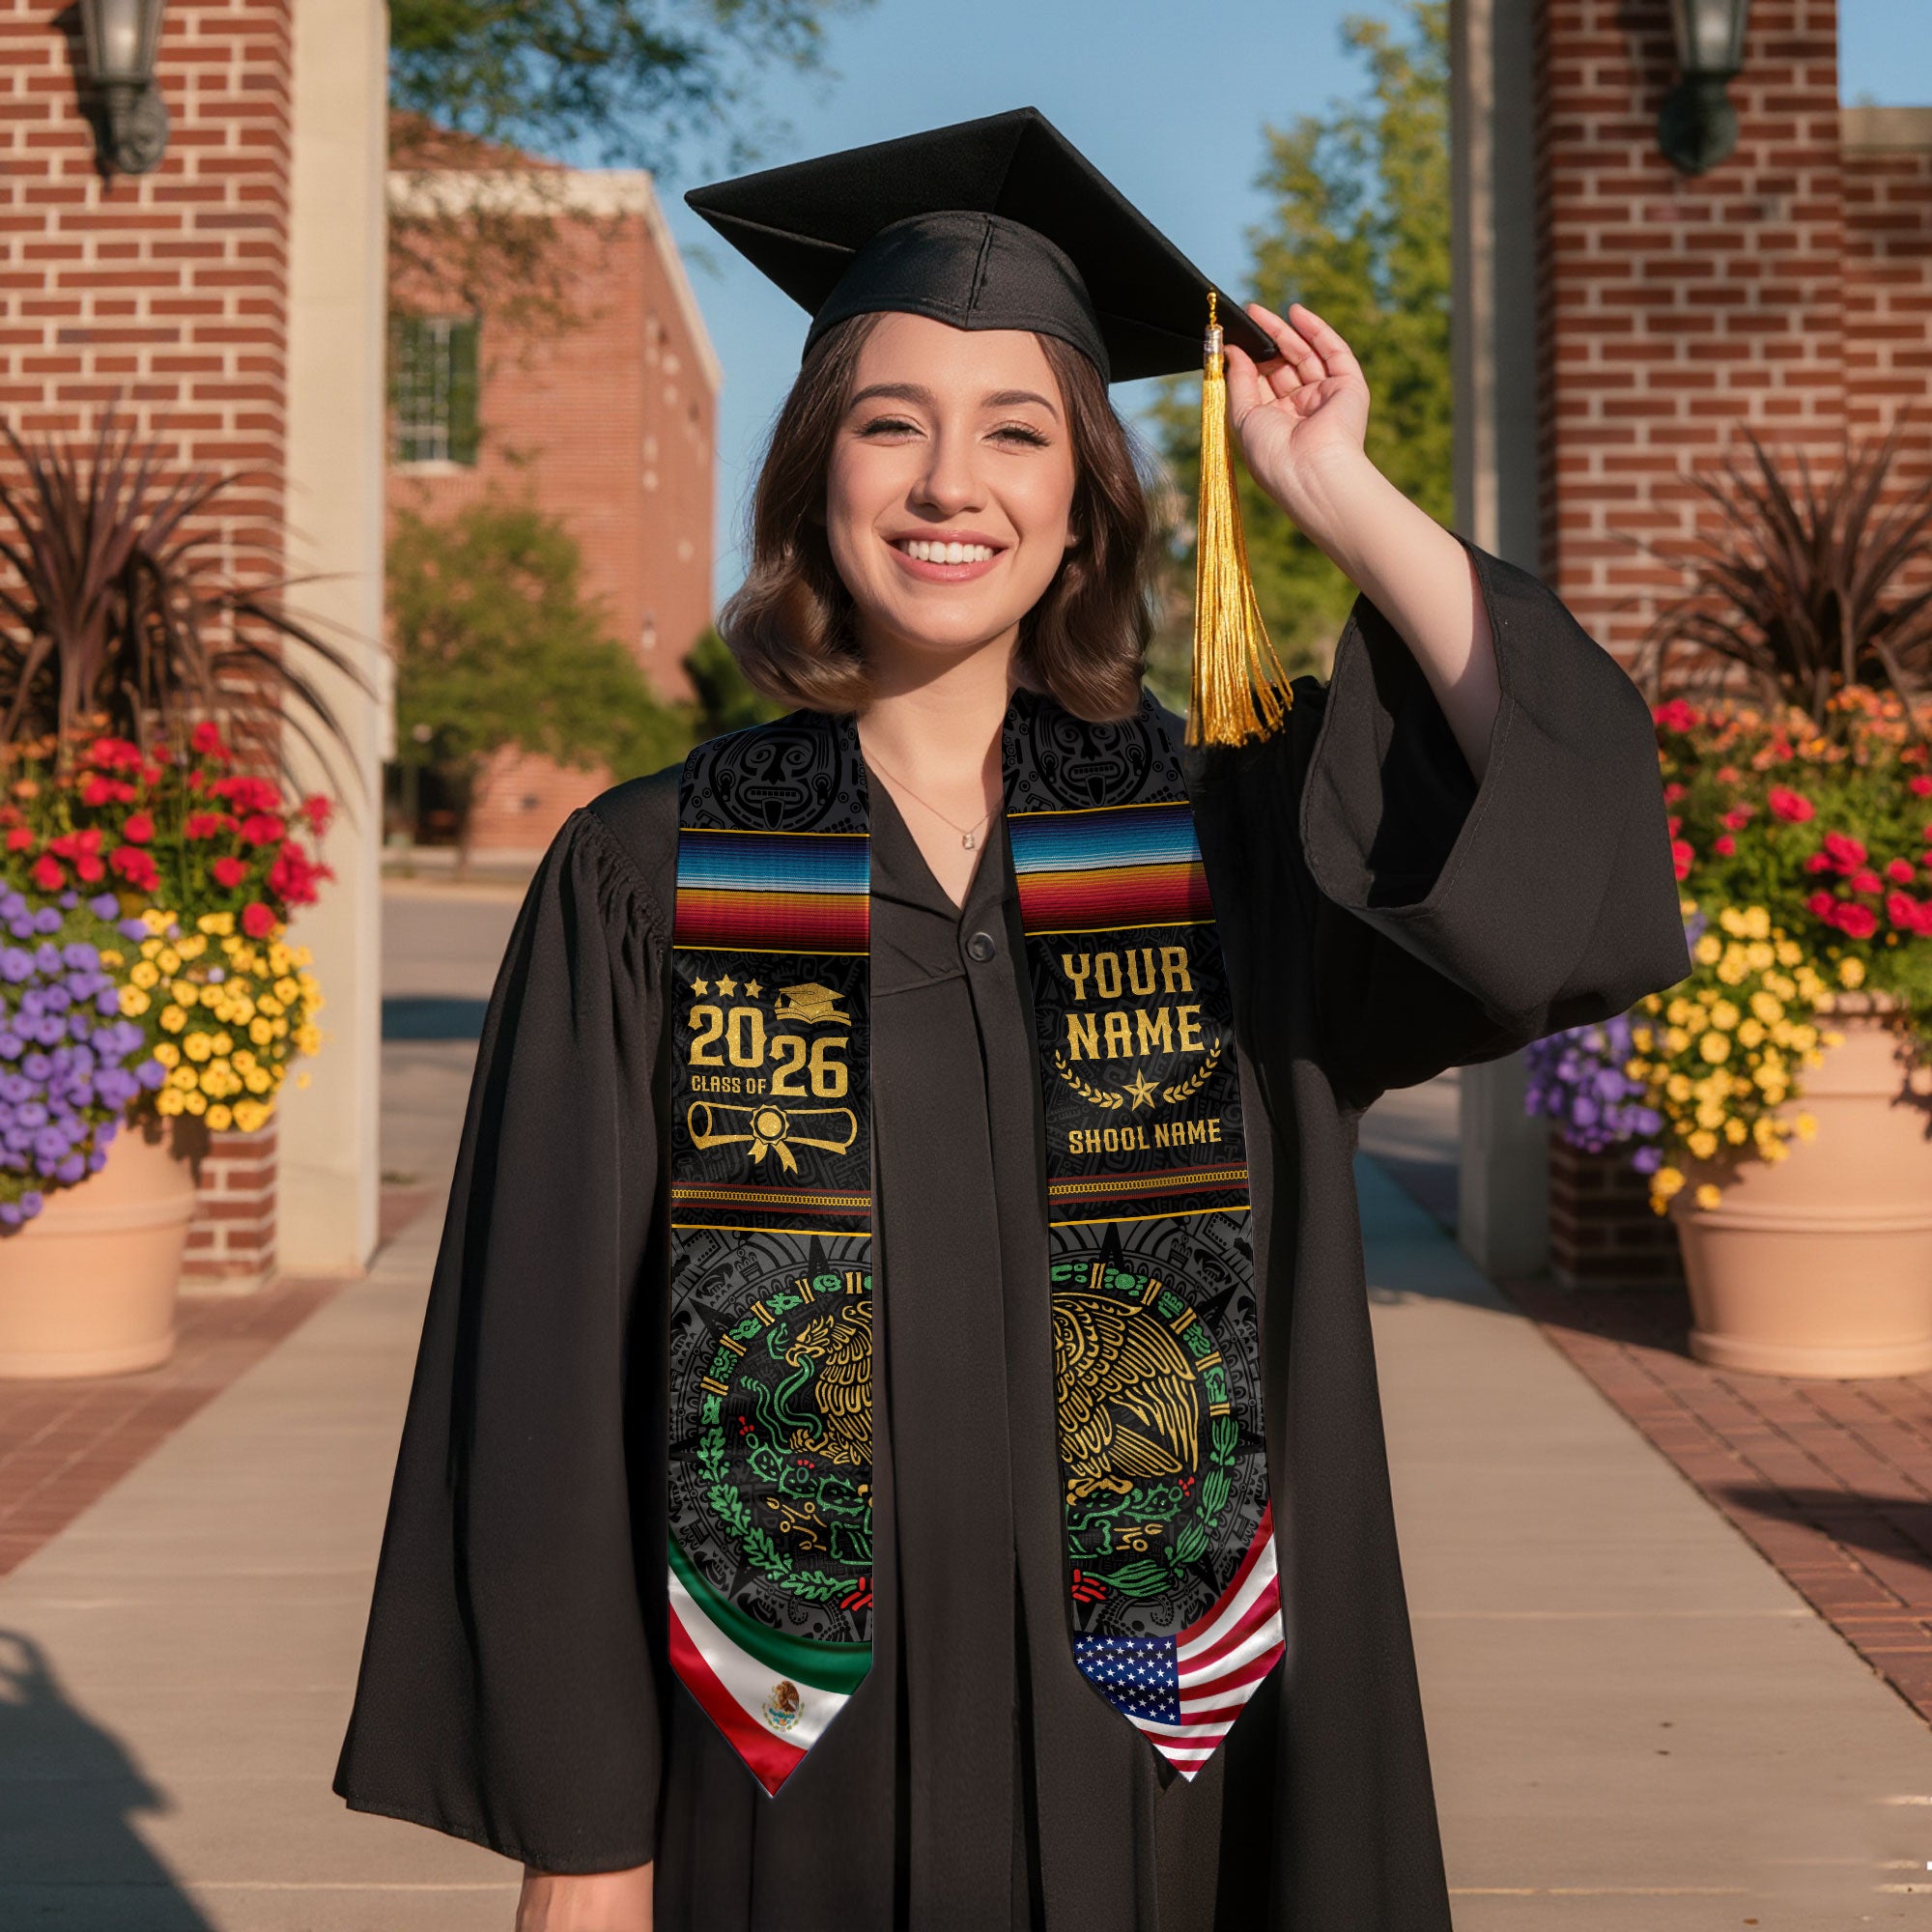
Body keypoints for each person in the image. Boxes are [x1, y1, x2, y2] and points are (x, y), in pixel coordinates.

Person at [334, 109, 1690, 1932]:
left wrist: (1337, 491)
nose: (947, 483)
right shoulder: (648, 878)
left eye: (1016, 432)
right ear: (818, 472)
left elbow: (1560, 841)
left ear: (1082, 504)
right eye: (892, 424)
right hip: (780, 1783)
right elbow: (547, 1385)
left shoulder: (1231, 850)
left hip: (1176, 1774)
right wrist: (585, 1843)